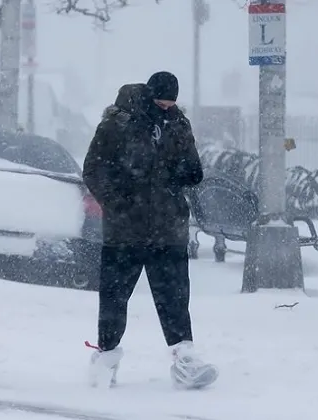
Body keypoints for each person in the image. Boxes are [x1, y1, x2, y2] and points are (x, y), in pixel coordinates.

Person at [82, 71, 218, 389]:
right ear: (148, 96)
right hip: (124, 230)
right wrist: (118, 201)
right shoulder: (118, 124)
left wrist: (186, 171)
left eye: (171, 103)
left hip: (168, 228)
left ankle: (186, 360)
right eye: (161, 102)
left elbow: (192, 169)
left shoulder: (178, 124)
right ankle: (105, 357)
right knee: (115, 297)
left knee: (174, 297)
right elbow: (94, 167)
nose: (166, 108)